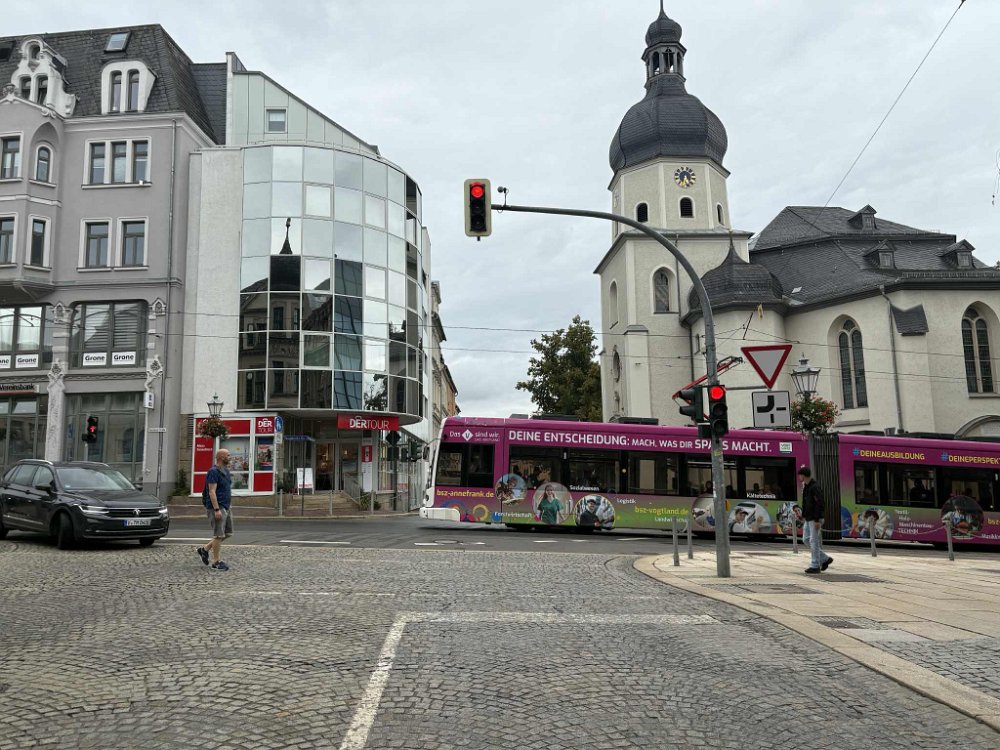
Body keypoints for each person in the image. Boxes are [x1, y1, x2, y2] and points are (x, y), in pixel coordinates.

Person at [197, 448, 233, 571]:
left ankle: (204, 549)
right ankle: (216, 562)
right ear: (221, 457)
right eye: (228, 455)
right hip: (217, 507)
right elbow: (211, 491)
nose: (230, 457)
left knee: (227, 533)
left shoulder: (226, 471)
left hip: (226, 506)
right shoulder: (213, 472)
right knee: (218, 535)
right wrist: (216, 509)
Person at [799, 466, 832, 574]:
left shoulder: (814, 487)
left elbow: (820, 503)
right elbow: (807, 503)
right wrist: (803, 515)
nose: (799, 477)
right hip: (809, 518)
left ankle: (815, 565)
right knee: (806, 539)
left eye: (800, 475)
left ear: (803, 475)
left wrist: (817, 519)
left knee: (814, 541)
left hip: (815, 518)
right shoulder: (807, 487)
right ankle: (825, 559)